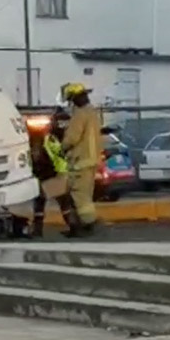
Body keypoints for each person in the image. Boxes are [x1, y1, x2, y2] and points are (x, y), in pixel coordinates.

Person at [30, 107, 82, 238]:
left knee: (40, 202)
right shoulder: (70, 137)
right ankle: (75, 227)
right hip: (67, 172)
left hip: (52, 173)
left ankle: (37, 230)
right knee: (65, 202)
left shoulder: (49, 139)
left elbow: (42, 157)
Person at [60, 83, 104, 233]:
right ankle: (83, 225)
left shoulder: (79, 115)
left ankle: (85, 225)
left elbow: (72, 138)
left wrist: (61, 147)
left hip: (80, 162)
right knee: (85, 195)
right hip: (91, 160)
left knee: (79, 196)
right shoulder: (92, 112)